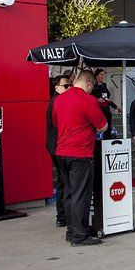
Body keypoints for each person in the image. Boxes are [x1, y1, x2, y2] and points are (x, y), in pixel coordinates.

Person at [53, 69, 108, 246]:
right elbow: (103, 126)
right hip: (80, 153)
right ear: (90, 83)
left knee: (69, 193)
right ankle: (80, 235)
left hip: (61, 152)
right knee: (81, 195)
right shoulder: (88, 100)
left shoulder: (59, 99)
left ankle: (71, 230)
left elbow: (56, 122)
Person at [46, 75, 71, 227]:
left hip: (56, 146)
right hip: (57, 147)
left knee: (63, 181)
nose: (69, 89)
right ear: (57, 87)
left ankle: (62, 215)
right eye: (66, 86)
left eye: (70, 85)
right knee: (65, 182)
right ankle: (63, 216)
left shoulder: (59, 101)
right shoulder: (57, 102)